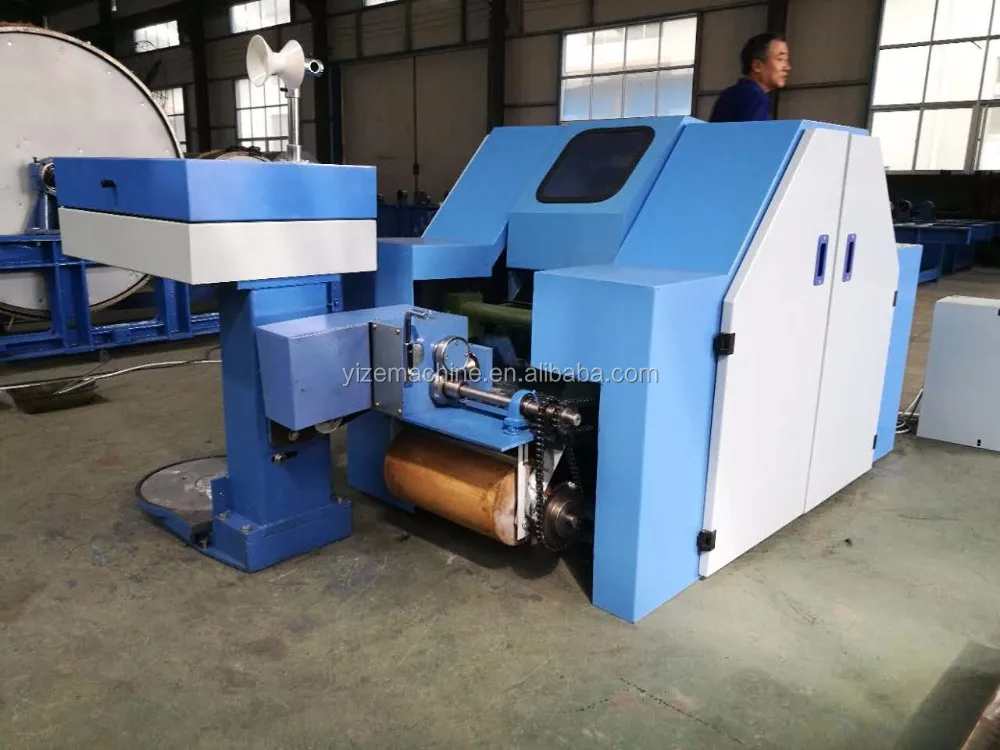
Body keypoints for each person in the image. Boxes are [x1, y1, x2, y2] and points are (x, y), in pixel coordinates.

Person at [709, 33, 790, 123]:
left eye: (787, 60)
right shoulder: (756, 97)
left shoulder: (728, 94)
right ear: (757, 66)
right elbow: (755, 132)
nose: (787, 67)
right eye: (780, 59)